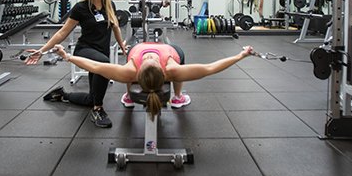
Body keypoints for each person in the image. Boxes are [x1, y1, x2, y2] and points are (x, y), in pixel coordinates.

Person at [25, 0, 127, 128]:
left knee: (92, 98)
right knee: (105, 65)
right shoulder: (80, 8)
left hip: (101, 52)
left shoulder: (109, 5)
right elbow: (63, 32)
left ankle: (62, 95)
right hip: (85, 50)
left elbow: (115, 27)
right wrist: (42, 50)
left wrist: (122, 46)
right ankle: (98, 110)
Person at [52, 42, 254, 118]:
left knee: (124, 70)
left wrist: (67, 56)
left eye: (149, 60)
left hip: (132, 63)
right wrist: (240, 56)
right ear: (161, 70)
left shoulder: (131, 71)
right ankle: (177, 97)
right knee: (180, 60)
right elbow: (210, 68)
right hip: (172, 52)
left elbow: (95, 67)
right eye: (150, 60)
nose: (150, 57)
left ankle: (129, 96)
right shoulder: (171, 69)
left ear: (139, 74)